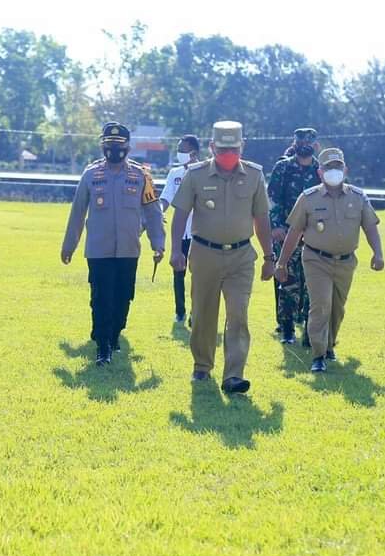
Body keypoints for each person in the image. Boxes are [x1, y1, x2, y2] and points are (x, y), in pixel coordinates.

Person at [169, 120, 273, 394]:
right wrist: (176, 251)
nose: (228, 154)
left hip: (241, 256)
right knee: (204, 313)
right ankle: (202, 366)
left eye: (234, 149)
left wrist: (269, 256)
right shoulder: (196, 175)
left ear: (242, 147)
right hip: (204, 254)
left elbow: (261, 217)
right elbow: (180, 214)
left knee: (238, 314)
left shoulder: (254, 175)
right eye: (223, 149)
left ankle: (234, 375)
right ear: (212, 147)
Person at [61, 122, 165, 365]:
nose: (113, 150)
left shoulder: (141, 176)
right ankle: (103, 345)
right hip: (98, 250)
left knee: (123, 296)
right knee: (101, 297)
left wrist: (158, 242)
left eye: (118, 145)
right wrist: (69, 245)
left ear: (128, 147)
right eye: (109, 145)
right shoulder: (91, 175)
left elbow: (152, 212)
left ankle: (115, 333)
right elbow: (77, 212)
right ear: (102, 146)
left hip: (129, 249)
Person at [274, 148, 385, 373]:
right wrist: (282, 262)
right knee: (321, 304)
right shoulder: (308, 198)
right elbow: (294, 232)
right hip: (316, 259)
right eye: (328, 167)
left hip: (345, 262)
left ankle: (329, 344)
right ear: (320, 171)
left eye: (337, 167)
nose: (333, 171)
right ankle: (318, 354)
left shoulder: (358, 197)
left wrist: (378, 253)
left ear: (345, 170)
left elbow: (370, 227)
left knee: (337, 308)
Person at [267, 127, 322, 346]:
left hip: (313, 237)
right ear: (294, 143)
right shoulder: (283, 167)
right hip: (286, 234)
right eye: (300, 141)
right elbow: (273, 199)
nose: (304, 145)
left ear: (315, 145)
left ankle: (310, 331)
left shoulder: (321, 169)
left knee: (312, 285)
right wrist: (276, 226)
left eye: (308, 142)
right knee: (287, 282)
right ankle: (287, 329)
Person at [159, 134, 201, 324]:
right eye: (179, 150)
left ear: (194, 151)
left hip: (199, 233)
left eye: (183, 150)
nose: (180, 153)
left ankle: (196, 311)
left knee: (198, 274)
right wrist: (160, 212)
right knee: (178, 271)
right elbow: (165, 197)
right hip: (179, 233)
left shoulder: (203, 172)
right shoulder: (174, 174)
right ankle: (180, 311)